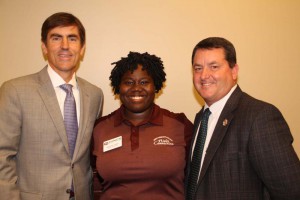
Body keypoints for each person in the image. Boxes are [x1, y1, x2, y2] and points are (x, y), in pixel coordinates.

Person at [0, 12, 103, 200]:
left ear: (82, 48)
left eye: (72, 39)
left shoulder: (95, 95)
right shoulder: (15, 90)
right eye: (56, 38)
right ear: (44, 47)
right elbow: (2, 155)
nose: (65, 46)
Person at [185, 37, 300, 200]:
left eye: (214, 67)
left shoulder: (260, 117)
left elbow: (291, 191)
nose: (204, 75)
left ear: (234, 71)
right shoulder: (201, 119)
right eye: (198, 68)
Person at [92, 51, 193, 200]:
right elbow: (94, 182)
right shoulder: (100, 128)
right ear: (118, 86)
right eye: (128, 82)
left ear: (156, 86)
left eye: (144, 82)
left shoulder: (180, 125)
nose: (136, 88)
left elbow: (197, 177)